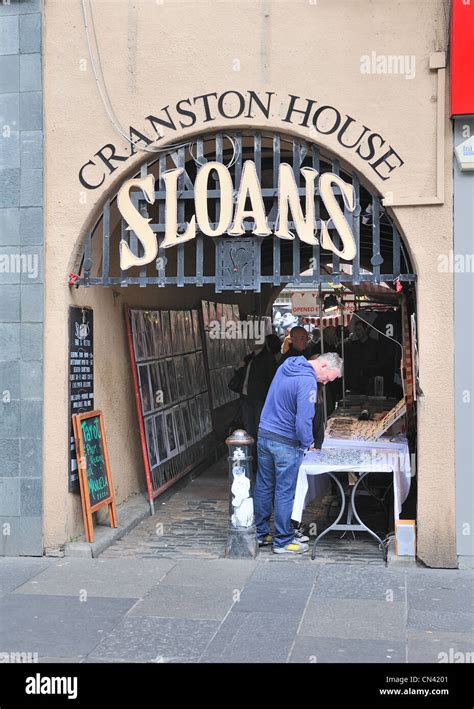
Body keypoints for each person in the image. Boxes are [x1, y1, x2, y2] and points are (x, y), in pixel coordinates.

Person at [254, 351, 343, 554]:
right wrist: (307, 442)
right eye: (329, 378)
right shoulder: (307, 381)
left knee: (264, 485)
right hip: (285, 442)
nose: (326, 383)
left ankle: (260, 534)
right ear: (323, 367)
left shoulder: (287, 366)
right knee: (285, 491)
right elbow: (304, 418)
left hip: (265, 433)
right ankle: (283, 541)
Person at [240, 333, 282, 442]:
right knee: (249, 429)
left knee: (260, 429)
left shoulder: (267, 359)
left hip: (260, 398)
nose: (249, 343)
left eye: (252, 340)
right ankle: (253, 456)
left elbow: (272, 379)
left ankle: (260, 456)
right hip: (246, 397)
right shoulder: (249, 358)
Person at [345, 320, 379, 394]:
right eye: (356, 330)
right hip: (356, 383)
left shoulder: (374, 345)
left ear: (365, 329)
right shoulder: (353, 346)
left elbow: (377, 362)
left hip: (370, 381)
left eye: (359, 329)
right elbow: (350, 364)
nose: (357, 332)